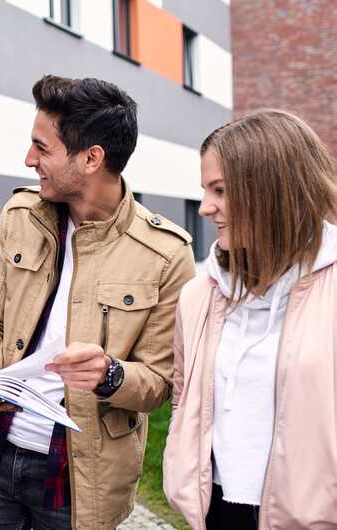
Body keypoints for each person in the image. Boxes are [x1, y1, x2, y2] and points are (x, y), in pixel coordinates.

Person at [0, 75, 196, 530]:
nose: (29, 160)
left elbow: (159, 381)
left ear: (91, 158)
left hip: (80, 477)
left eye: (42, 148)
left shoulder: (167, 254)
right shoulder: (19, 215)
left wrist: (110, 374)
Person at [163, 109, 337, 529]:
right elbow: (183, 394)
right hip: (217, 510)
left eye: (220, 190)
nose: (205, 208)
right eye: (205, 190)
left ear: (272, 189)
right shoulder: (198, 295)